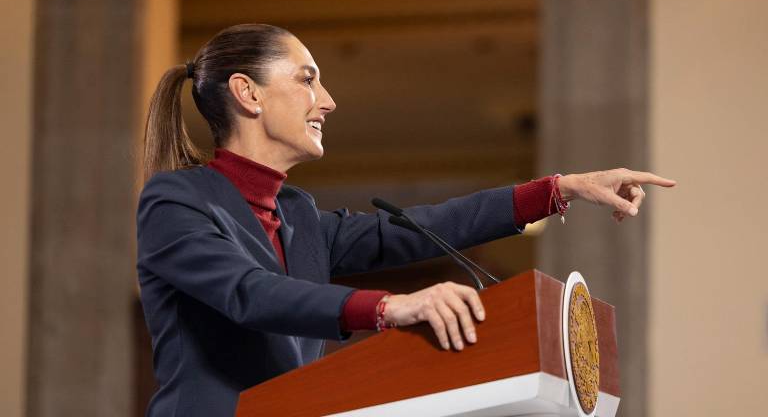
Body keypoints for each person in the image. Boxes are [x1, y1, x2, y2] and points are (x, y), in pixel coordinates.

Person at [137, 23, 675, 417]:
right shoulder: (175, 202)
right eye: (307, 80)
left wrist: (560, 189)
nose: (326, 100)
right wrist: (392, 307)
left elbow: (413, 229)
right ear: (247, 93)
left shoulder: (296, 215)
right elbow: (249, 292)